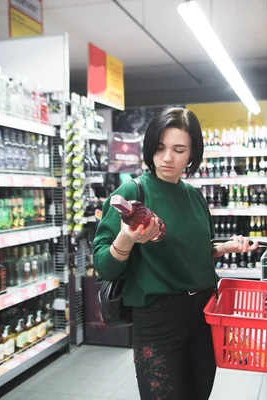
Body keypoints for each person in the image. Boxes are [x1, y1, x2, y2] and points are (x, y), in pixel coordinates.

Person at [92, 108, 258, 400]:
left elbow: (192, 254)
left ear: (192, 154)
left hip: (203, 315)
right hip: (158, 318)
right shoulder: (133, 193)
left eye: (179, 149)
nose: (167, 157)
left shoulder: (194, 196)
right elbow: (104, 266)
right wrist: (126, 238)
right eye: (160, 148)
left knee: (199, 393)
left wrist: (226, 248)